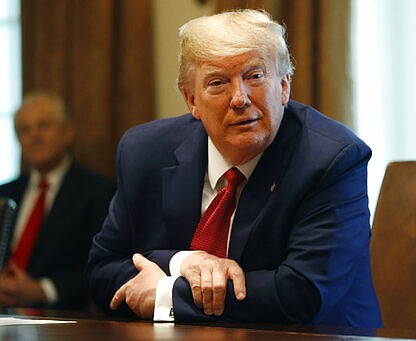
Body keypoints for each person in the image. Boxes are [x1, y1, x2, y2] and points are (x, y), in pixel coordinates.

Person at [86, 9, 382, 327]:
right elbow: (101, 271)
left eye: (255, 76)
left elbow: (302, 294)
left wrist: (166, 294)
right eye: (217, 83)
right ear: (192, 100)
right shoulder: (145, 151)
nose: (239, 98)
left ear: (284, 86)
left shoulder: (331, 159)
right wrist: (181, 261)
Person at [0, 92, 116, 309]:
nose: (34, 136)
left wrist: (42, 290)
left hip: (62, 318)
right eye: (25, 130)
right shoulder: (5, 193)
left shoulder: (99, 192)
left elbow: (102, 265)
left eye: (43, 126)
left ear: (68, 132)